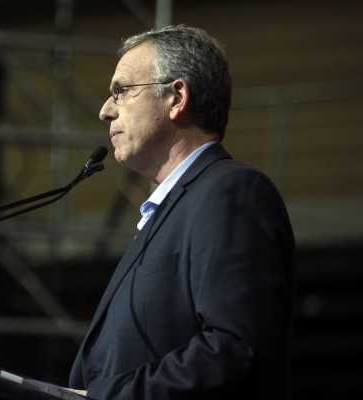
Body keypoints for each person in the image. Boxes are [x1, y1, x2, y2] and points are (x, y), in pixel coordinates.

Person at [68, 25, 295, 399]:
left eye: (121, 91)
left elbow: (235, 348)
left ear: (176, 98)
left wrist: (107, 397)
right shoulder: (173, 209)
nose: (105, 110)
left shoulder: (230, 192)